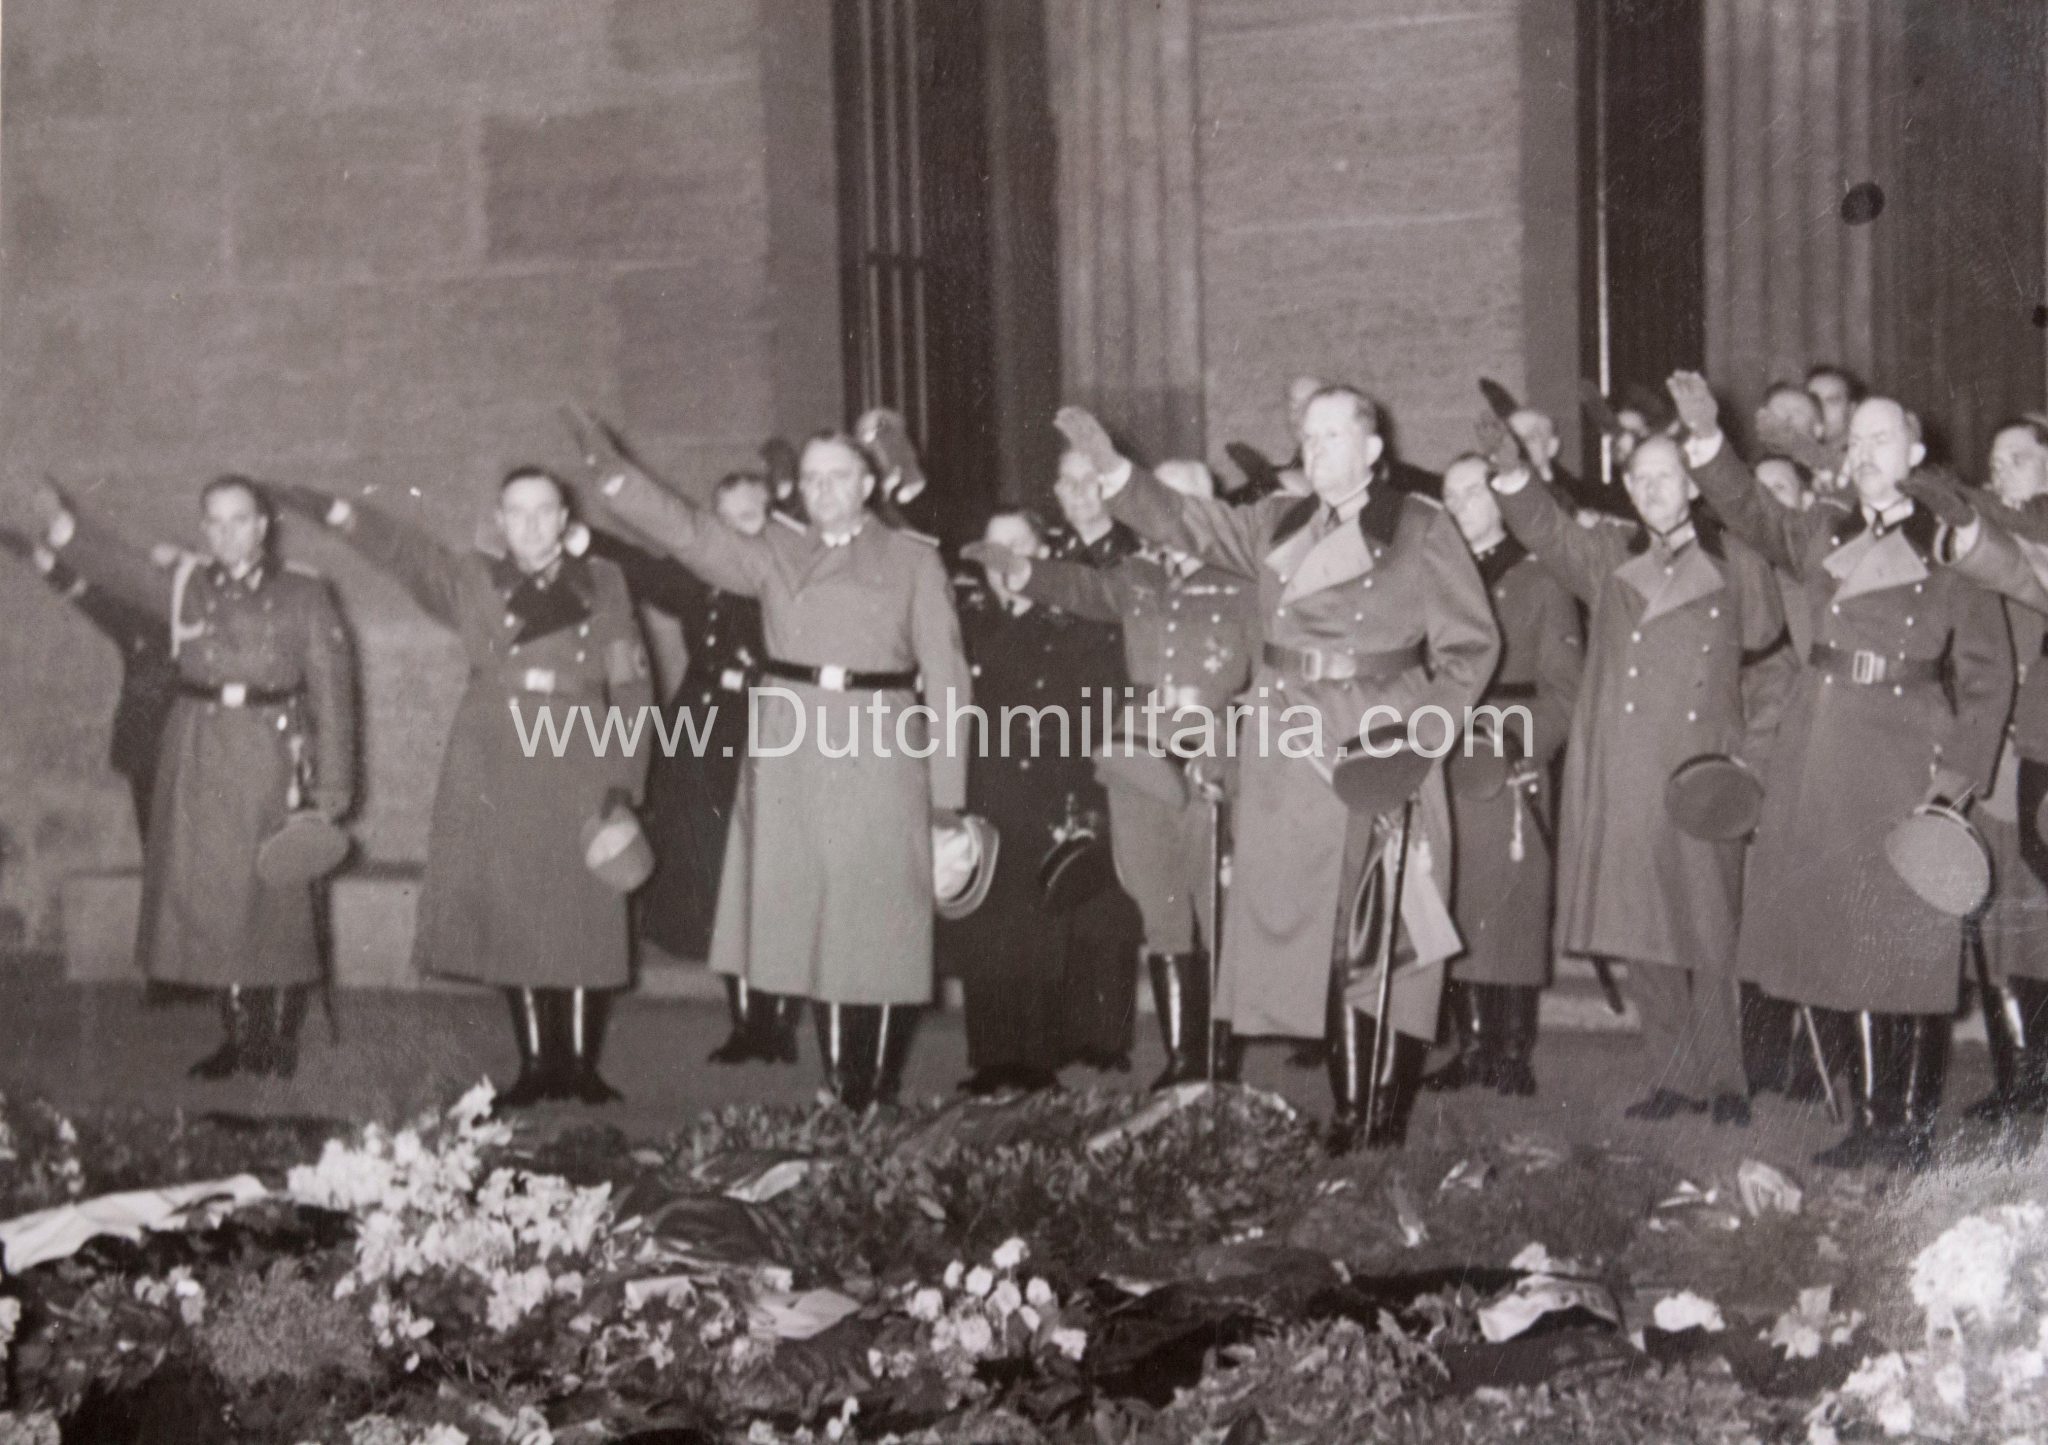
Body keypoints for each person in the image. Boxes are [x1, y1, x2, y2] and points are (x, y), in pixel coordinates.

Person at [1055, 390, 1499, 1149]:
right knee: (1317, 935)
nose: (1319, 449)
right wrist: (1117, 472)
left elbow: (1471, 650)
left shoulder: (1421, 526)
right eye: (1309, 437)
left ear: (1371, 448)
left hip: (1377, 738)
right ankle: (1350, 1108)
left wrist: (1417, 737)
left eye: (1336, 435)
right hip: (1289, 742)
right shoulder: (1277, 524)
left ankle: (1376, 1122)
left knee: (1383, 935)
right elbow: (1188, 521)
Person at [1671, 372, 2013, 1169]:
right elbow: (1750, 511)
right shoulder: (1825, 530)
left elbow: (1990, 674)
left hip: (1902, 759)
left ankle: (1906, 1127)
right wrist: (1706, 439)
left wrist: (1952, 785)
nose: (1863, 455)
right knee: (1841, 943)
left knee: (1902, 948)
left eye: (1881, 440)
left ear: (1918, 454)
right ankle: (1868, 1120)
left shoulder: (1956, 541)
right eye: (1853, 442)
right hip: (1820, 755)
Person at [583, 426, 973, 1112]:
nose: (824, 490)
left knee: (877, 919)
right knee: (818, 920)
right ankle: (837, 1084)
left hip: (878, 744)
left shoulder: (912, 560)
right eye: (814, 478)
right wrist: (618, 479)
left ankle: (872, 1092)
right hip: (792, 750)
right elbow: (693, 535)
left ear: (868, 484)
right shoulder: (777, 551)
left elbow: (946, 680)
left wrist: (947, 801)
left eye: (839, 476)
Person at [267, 468, 651, 1108]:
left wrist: (625, 781)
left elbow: (634, 686)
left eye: (543, 512)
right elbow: (404, 552)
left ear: (564, 519)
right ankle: (536, 1067)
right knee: (516, 906)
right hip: (496, 750)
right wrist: (339, 512)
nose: (529, 526)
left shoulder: (603, 582)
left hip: (578, 744)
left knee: (583, 906)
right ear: (499, 521)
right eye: (516, 513)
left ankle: (581, 1066)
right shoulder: (472, 579)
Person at [1490, 432, 1789, 1125]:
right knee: (1643, 929)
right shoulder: (1609, 556)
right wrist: (1512, 474)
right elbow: (1546, 529)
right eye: (1641, 478)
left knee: (1710, 930)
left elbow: (1774, 672)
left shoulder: (1737, 562)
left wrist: (1751, 760)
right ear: (1628, 489)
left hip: (1702, 769)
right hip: (1624, 767)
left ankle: (1727, 1081)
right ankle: (1673, 1074)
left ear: (1693, 485)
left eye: (1668, 476)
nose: (1654, 489)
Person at [15, 476, 354, 1080]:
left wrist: (333, 789)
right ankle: (237, 1038)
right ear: (204, 529)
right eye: (214, 523)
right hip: (196, 751)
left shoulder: (305, 593)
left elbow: (333, 693)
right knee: (208, 902)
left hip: (270, 752)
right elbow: (115, 567)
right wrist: (63, 525)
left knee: (273, 900)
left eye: (239, 521)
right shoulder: (184, 585)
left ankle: (275, 1042)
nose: (227, 535)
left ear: (262, 526)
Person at [972, 457, 1261, 1090]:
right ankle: (1183, 1059)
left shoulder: (1245, 583)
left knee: (1215, 910)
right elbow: (1080, 590)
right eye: (1159, 501)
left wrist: (1236, 755)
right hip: (1138, 762)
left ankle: (1216, 1061)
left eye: (1184, 503)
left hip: (1210, 758)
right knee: (1159, 908)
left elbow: (1268, 684)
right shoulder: (1136, 576)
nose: (1169, 516)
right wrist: (1021, 569)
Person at [584, 472, 789, 1065]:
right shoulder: (698, 577)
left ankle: (775, 1018)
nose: (739, 530)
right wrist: (582, 540)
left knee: (769, 875)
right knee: (716, 875)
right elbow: (642, 564)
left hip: (773, 726)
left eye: (752, 516)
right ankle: (747, 1022)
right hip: (704, 731)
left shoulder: (789, 574)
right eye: (726, 519)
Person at [946, 507, 1142, 1093]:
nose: (1004, 560)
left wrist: (1085, 794)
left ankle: (1034, 1057)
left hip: (1051, 784)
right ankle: (991, 1056)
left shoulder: (1071, 624)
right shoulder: (967, 623)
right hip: (986, 786)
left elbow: (1097, 707)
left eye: (1019, 546)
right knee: (985, 922)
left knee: (1038, 928)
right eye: (994, 546)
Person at [1897, 417, 2048, 1122]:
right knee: (1995, 922)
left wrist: (1968, 513)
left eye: (2019, 457)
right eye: (1995, 459)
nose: (2004, 469)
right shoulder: (1982, 532)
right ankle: (2020, 1080)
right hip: (2001, 751)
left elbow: (2021, 562)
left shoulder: (2025, 538)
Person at [1426, 455, 1583, 1096]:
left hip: (1508, 754)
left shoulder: (1541, 580)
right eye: (1451, 494)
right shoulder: (1436, 581)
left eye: (1472, 492)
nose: (1461, 505)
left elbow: (1565, 690)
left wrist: (1519, 743)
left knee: (1513, 905)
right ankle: (1470, 1045)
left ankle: (1512, 1050)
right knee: (1455, 899)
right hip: (1445, 750)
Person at [0, 527, 180, 839]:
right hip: (144, 754)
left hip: (188, 759)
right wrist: (38, 557)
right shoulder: (141, 627)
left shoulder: (204, 632)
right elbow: (86, 595)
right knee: (157, 848)